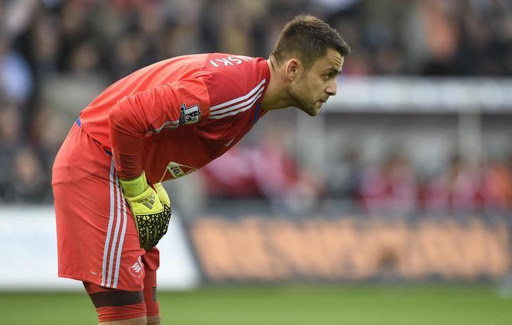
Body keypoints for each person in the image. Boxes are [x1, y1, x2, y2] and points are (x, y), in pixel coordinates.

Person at [52, 14, 350, 325]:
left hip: (123, 171)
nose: (333, 89)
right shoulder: (232, 89)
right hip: (100, 165)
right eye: (328, 74)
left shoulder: (250, 88)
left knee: (148, 319)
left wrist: (148, 179)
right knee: (127, 320)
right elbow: (126, 117)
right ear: (293, 69)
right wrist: (137, 188)